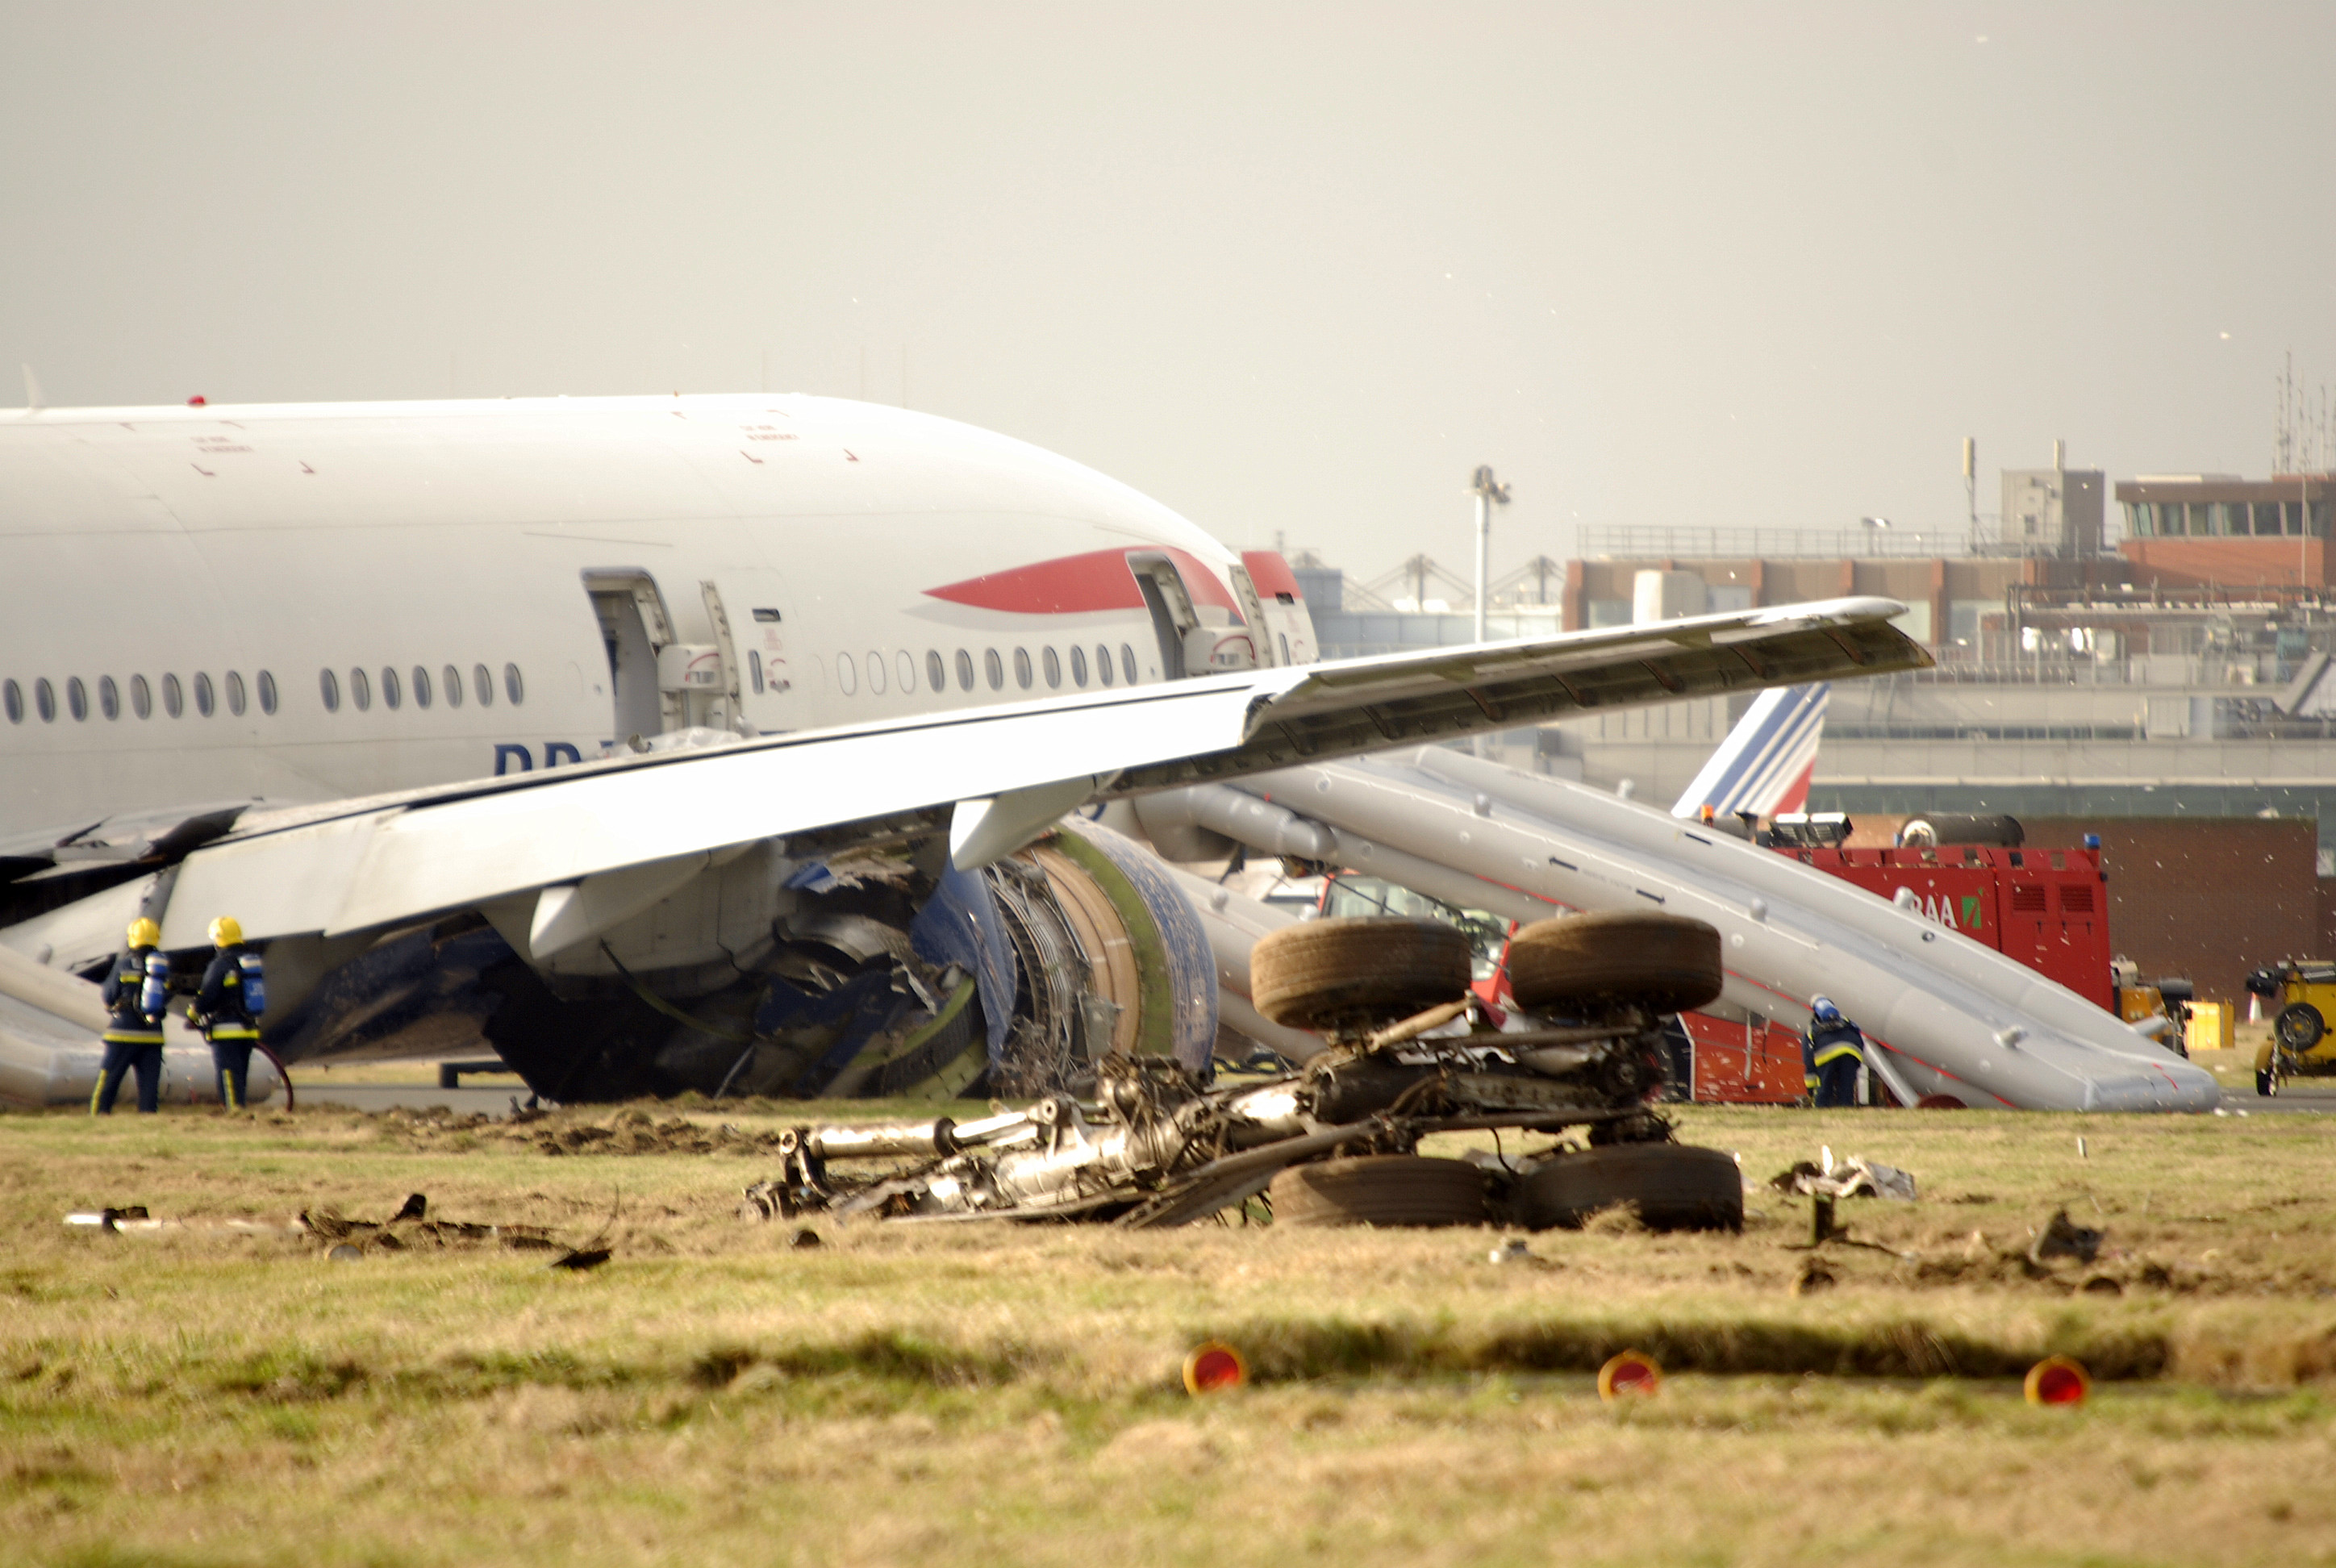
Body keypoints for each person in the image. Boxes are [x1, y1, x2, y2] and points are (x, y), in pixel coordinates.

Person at [94, 918, 170, 1115]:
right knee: (149, 1087)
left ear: (132, 939)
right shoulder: (162, 968)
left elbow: (108, 996)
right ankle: (148, 1119)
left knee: (108, 1080)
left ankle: (99, 1114)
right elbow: (166, 997)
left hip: (123, 1034)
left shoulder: (124, 964)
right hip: (152, 1035)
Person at [190, 915, 265, 1111]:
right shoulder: (248, 962)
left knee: (228, 1076)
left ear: (218, 939)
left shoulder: (220, 964)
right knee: (240, 1075)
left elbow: (208, 997)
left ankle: (234, 1114)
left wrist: (193, 1013)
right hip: (248, 1029)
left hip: (227, 1031)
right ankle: (240, 1108)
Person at [1806, 995, 1867, 1108]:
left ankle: (1820, 1110)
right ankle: (1846, 1111)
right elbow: (1858, 1037)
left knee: (1824, 1087)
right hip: (1852, 1050)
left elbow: (1808, 1060)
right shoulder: (1846, 1021)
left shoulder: (1812, 1029)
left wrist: (1810, 1090)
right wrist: (1856, 1063)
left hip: (1826, 1053)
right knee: (1846, 1088)